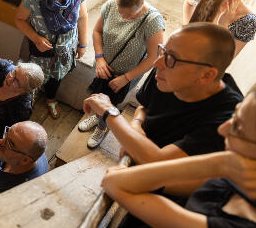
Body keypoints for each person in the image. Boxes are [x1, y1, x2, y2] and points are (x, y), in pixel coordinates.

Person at [82, 77, 256, 228]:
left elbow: (116, 182)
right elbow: (153, 183)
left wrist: (219, 163)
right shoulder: (252, 180)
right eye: (235, 115)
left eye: (239, 128)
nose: (223, 129)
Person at [83, 23, 243, 164]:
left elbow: (159, 162)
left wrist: (109, 113)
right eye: (163, 51)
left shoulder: (228, 118)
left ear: (206, 75)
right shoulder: (164, 71)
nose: (157, 63)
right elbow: (144, 108)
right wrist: (136, 125)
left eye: (172, 58)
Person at [78, 0, 165, 149]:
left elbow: (154, 57)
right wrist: (100, 58)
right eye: (121, 13)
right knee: (99, 94)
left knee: (113, 101)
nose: (124, 18)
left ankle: (103, 126)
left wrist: (126, 78)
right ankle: (98, 116)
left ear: (141, 7)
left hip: (128, 73)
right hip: (104, 65)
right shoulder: (111, 5)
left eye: (130, 16)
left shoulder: (152, 20)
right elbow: (97, 31)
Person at [14, 0, 89, 119]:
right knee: (32, 79)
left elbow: (82, 18)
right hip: (40, 52)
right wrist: (35, 38)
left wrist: (82, 44)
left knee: (56, 78)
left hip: (64, 51)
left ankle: (50, 99)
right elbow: (19, 19)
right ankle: (27, 100)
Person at [182, 0, 256, 57]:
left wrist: (223, 25)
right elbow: (188, 2)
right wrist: (188, 29)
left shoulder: (247, 21)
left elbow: (223, 60)